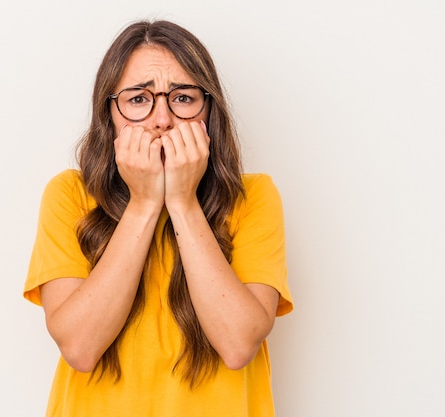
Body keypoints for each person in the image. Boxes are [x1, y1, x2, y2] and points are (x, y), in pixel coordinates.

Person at [24, 19, 293, 417]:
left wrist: (182, 201)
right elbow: (79, 348)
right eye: (138, 99)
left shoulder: (253, 197)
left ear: (209, 111)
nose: (162, 119)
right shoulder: (69, 195)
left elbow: (238, 345)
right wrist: (145, 202)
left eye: (183, 98)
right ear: (110, 114)